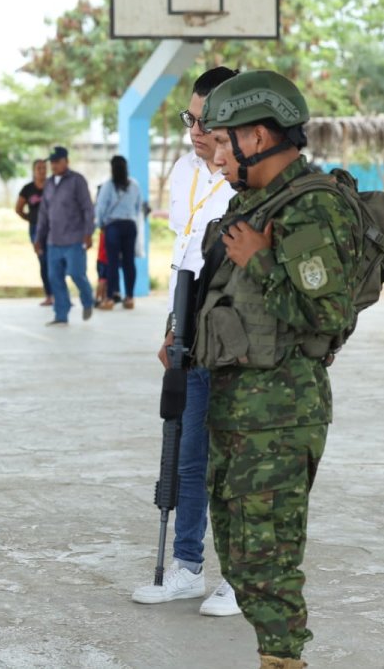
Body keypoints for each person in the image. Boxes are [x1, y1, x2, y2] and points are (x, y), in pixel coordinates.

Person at [195, 70, 360, 668]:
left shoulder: (309, 205)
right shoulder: (251, 203)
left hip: (281, 415)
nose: (213, 156)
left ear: (258, 135)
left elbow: (327, 314)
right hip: (236, 407)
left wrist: (263, 261)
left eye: (221, 142)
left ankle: (284, 658)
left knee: (269, 556)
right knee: (238, 555)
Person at [132, 67, 240, 617]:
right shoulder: (181, 172)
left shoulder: (248, 179)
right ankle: (188, 568)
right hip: (190, 318)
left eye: (207, 122)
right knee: (188, 456)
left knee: (234, 458)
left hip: (237, 328)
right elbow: (184, 254)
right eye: (189, 119)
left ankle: (240, 577)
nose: (196, 132)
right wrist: (173, 327)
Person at [34, 145, 95, 325]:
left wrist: (88, 233)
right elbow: (43, 214)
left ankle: (87, 300)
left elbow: (87, 208)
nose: (53, 166)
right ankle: (61, 315)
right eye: (51, 163)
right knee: (55, 278)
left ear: (66, 161)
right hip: (53, 241)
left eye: (57, 162)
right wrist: (39, 238)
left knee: (77, 274)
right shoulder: (49, 184)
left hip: (75, 239)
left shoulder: (77, 181)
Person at [95, 155, 143, 310]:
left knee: (112, 263)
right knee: (129, 262)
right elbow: (138, 207)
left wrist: (101, 224)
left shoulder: (108, 185)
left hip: (113, 226)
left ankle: (109, 299)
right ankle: (129, 298)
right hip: (130, 226)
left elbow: (100, 207)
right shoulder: (134, 185)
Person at [16, 159, 53, 305]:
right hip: (36, 229)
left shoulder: (53, 186)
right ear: (33, 170)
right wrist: (30, 218)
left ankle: (59, 294)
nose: (42, 171)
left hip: (53, 229)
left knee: (55, 261)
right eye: (39, 168)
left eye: (44, 168)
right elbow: (18, 209)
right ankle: (49, 294)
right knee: (43, 261)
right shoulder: (28, 189)